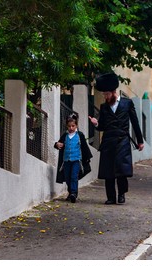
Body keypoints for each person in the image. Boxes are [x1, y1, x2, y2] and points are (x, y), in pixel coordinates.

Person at [89, 72, 144, 205]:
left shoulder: (127, 103)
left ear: (114, 92)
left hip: (122, 140)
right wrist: (96, 123)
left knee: (121, 169)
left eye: (107, 94)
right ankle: (110, 197)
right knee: (108, 171)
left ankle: (121, 194)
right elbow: (102, 126)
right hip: (108, 141)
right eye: (104, 94)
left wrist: (140, 141)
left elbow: (135, 122)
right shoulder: (103, 107)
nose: (105, 97)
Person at [54, 114, 93, 203]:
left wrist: (87, 159)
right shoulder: (65, 135)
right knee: (67, 177)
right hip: (66, 160)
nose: (71, 128)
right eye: (69, 126)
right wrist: (57, 144)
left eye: (73, 126)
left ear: (76, 126)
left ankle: (74, 194)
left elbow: (84, 147)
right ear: (67, 126)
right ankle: (70, 192)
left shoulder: (80, 135)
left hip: (76, 160)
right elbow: (58, 143)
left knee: (74, 176)